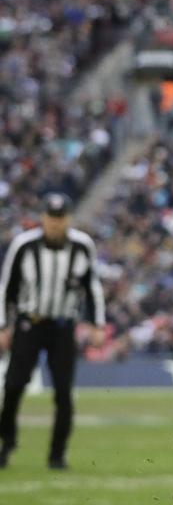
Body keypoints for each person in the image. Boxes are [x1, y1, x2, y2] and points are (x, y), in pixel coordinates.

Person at [0, 193, 105, 470]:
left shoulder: (82, 246)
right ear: (43, 218)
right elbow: (5, 289)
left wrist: (96, 324)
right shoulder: (24, 245)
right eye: (51, 218)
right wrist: (2, 326)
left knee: (63, 393)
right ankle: (6, 442)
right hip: (29, 324)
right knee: (12, 386)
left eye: (61, 218)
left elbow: (92, 288)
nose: (56, 224)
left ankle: (57, 455)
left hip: (62, 327)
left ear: (68, 219)